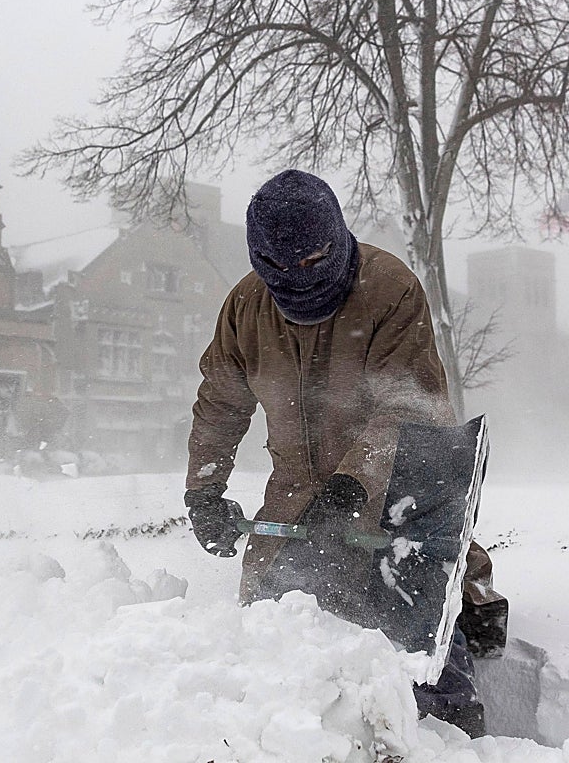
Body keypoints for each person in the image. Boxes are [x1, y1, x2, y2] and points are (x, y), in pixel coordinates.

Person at [183, 169, 507, 736]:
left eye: (312, 261)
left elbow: (412, 408)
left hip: (390, 493)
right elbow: (220, 403)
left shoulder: (390, 291)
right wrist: (204, 491)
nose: (299, 278)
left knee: (417, 628)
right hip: (294, 501)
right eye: (282, 269)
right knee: (277, 632)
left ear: (336, 236)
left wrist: (355, 483)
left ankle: (451, 724)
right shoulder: (245, 308)